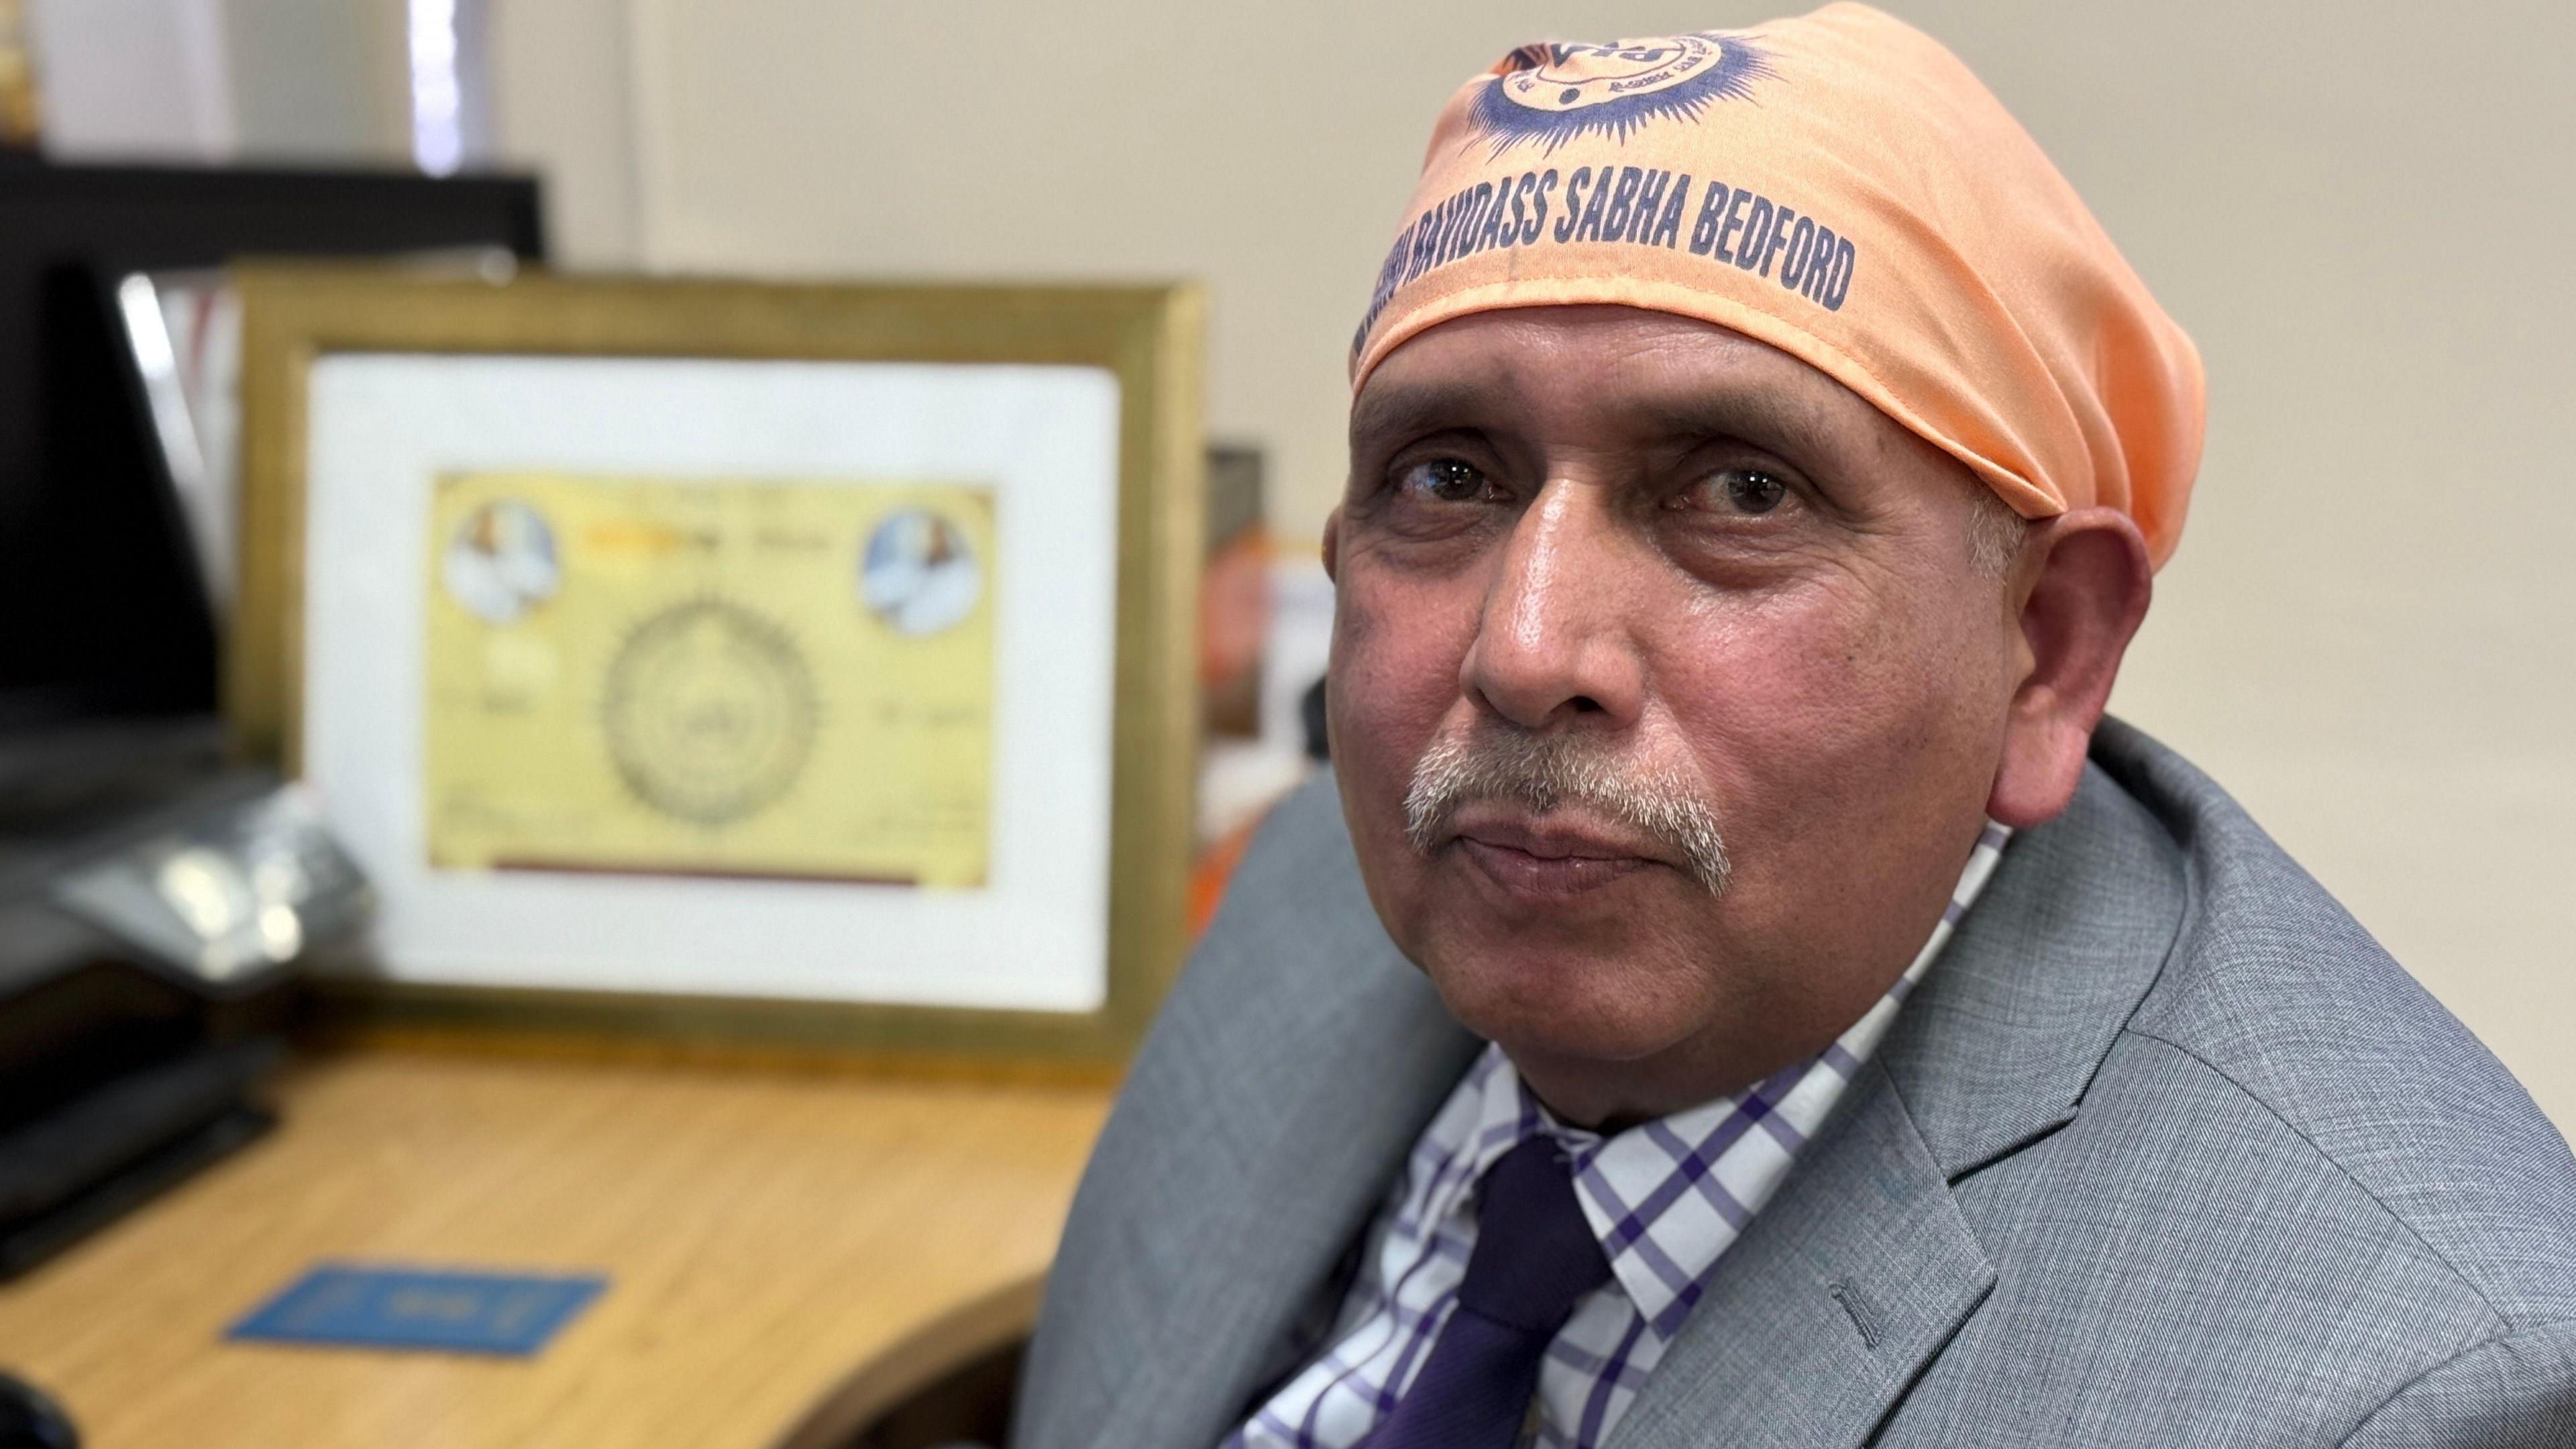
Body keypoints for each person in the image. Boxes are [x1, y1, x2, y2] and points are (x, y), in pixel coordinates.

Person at [1014, 7, 2576, 1446]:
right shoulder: (1321, 882)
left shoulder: (2403, 1388)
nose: (1523, 649)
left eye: (1742, 494)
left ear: (2045, 652)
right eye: (1449, 478)